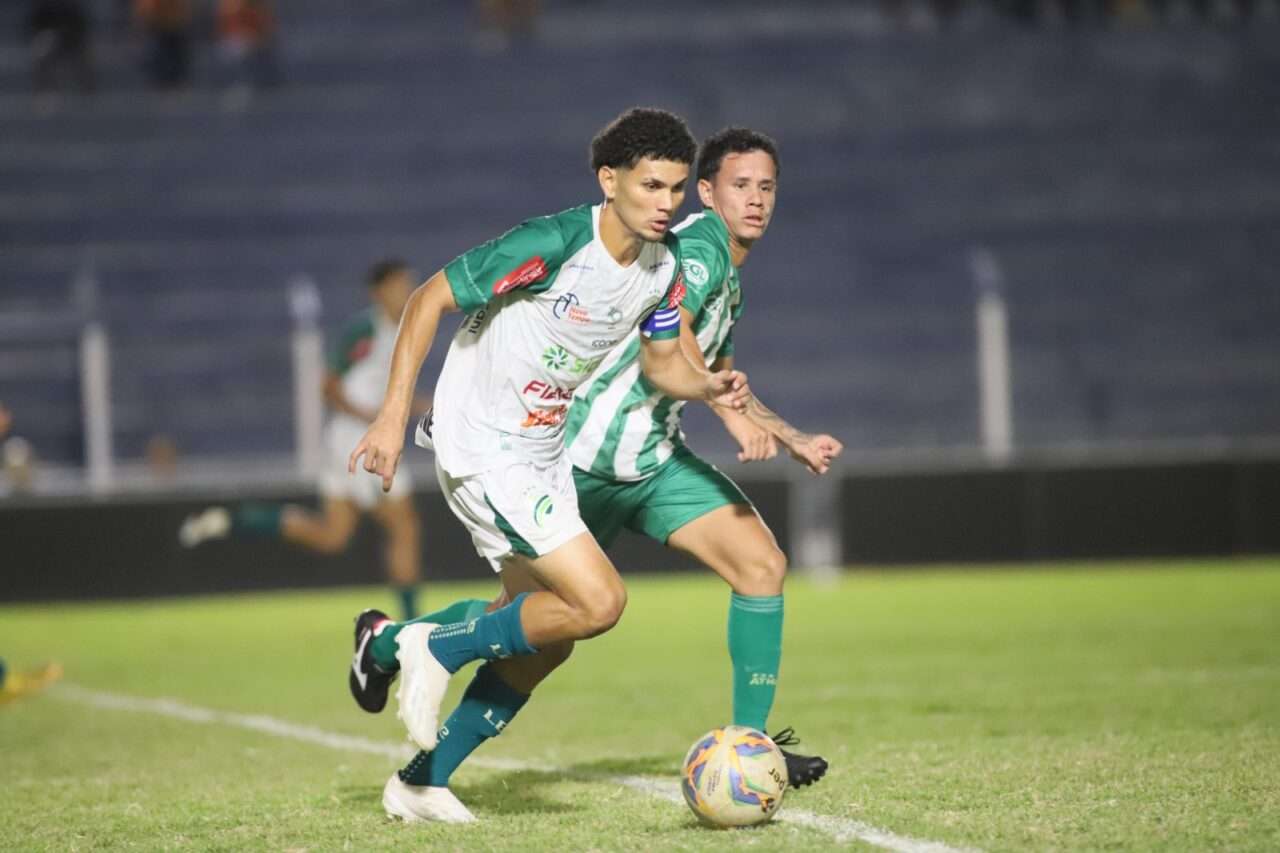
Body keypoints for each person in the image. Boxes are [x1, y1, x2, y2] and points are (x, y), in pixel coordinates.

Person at [352, 128, 843, 810]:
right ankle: (414, 646)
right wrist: (389, 416)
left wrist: (745, 411)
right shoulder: (656, 249)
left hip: (619, 455)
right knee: (567, 615)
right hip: (548, 452)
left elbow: (675, 361)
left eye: (767, 187)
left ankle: (417, 752)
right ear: (613, 181)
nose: (668, 202)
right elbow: (431, 297)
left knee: (560, 628)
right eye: (739, 185)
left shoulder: (675, 264)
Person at [179, 261, 426, 620]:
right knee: (404, 526)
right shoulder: (366, 331)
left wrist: (419, 406)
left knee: (332, 536)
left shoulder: (400, 329)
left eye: (408, 283)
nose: (406, 290)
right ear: (378, 292)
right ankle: (411, 624)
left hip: (355, 436)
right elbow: (329, 386)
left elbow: (385, 393)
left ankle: (233, 520)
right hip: (358, 440)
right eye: (399, 284)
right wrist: (372, 419)